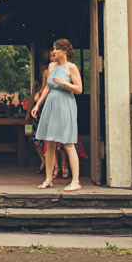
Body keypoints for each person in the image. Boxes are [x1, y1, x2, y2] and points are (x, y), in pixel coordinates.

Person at [30, 38, 82, 192]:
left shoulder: (71, 68)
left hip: (65, 105)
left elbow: (79, 89)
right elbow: (47, 88)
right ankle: (48, 179)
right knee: (50, 143)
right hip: (50, 105)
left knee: (67, 143)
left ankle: (75, 182)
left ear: (64, 51)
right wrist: (37, 105)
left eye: (56, 49)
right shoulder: (52, 66)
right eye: (53, 48)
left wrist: (64, 83)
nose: (53, 52)